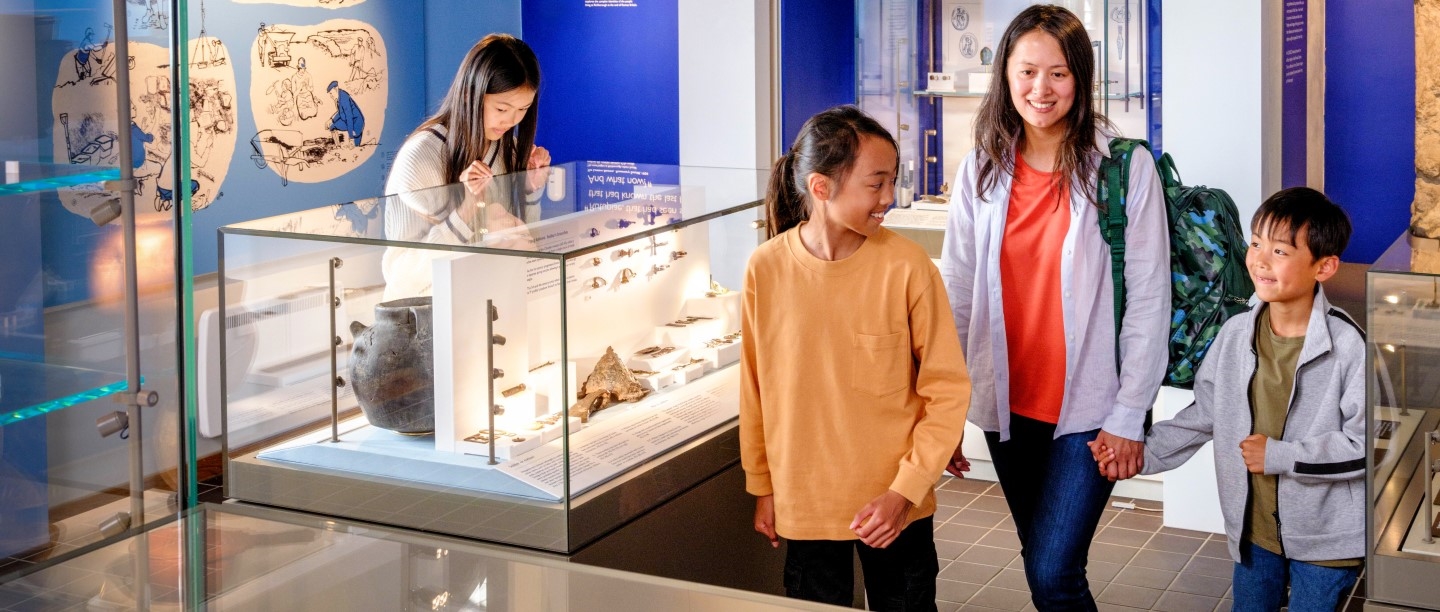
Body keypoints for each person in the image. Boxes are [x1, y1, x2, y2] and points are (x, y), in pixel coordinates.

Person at [938, 5, 1170, 610]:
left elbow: (1149, 297)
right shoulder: (981, 169)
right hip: (1005, 402)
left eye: (1060, 74)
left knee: (1051, 570)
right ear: (1004, 75)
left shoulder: (1123, 167)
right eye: (1027, 71)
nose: (1042, 89)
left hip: (1091, 406)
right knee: (1048, 564)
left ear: (1082, 78)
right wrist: (943, 407)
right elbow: (958, 288)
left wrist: (1129, 414)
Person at [739, 105, 971, 611]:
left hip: (897, 506)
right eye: (876, 183)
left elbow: (948, 391)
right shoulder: (766, 269)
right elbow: (755, 391)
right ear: (821, 187)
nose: (889, 197)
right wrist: (763, 486)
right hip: (805, 505)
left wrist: (905, 492)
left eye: (894, 181)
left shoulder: (908, 267)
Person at [1093, 187, 1364, 612]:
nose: (1259, 259)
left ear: (1324, 266)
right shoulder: (1236, 334)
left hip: (1326, 540)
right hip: (1253, 533)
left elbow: (1365, 448)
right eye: (1255, 243)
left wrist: (1280, 456)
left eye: (1279, 250)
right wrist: (1140, 456)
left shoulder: (1349, 346)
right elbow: (1205, 414)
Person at [381, 34, 550, 299]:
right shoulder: (421, 158)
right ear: (471, 94)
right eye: (502, 108)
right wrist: (467, 211)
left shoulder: (510, 147)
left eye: (523, 109)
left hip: (487, 308)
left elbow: (524, 249)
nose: (511, 120)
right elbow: (403, 279)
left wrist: (530, 189)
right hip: (422, 317)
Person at [325, 80, 365, 145]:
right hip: (347, 120)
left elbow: (349, 117)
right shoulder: (339, 97)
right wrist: (331, 120)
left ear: (336, 89)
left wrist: (351, 137)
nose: (331, 96)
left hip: (356, 123)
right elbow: (341, 113)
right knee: (332, 126)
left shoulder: (344, 98)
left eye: (331, 93)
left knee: (356, 146)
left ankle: (355, 143)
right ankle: (338, 146)